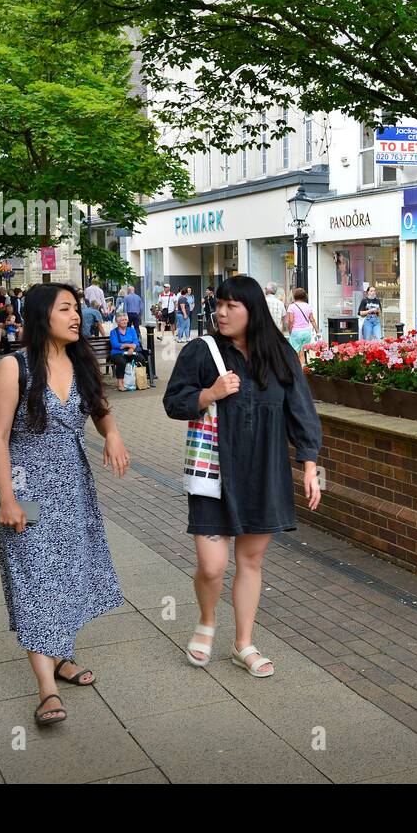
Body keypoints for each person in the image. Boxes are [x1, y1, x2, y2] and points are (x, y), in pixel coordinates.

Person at [163, 275, 322, 677]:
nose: (221, 312)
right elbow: (173, 402)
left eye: (232, 305)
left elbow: (300, 411)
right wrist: (210, 393)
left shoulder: (281, 355)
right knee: (213, 565)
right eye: (219, 304)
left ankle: (243, 644)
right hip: (214, 474)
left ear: (253, 310)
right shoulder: (203, 351)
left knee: (250, 561)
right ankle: (207, 618)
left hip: (264, 473)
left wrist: (309, 466)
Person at [0, 282, 130, 726]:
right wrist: (7, 498)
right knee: (35, 581)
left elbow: (99, 406)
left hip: (74, 490)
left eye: (76, 308)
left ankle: (62, 655)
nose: (76, 316)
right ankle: (46, 688)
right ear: (41, 315)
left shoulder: (82, 361)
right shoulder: (14, 368)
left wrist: (112, 433)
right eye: (65, 308)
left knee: (69, 573)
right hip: (25, 491)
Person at [108, 312, 148, 391]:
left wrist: (131, 349)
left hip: (130, 352)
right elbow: (115, 344)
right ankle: (120, 384)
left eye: (125, 320)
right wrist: (128, 345)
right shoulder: (113, 332)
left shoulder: (131, 330)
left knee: (141, 358)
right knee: (121, 362)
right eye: (122, 320)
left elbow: (136, 342)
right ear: (117, 322)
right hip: (117, 353)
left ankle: (141, 381)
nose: (124, 322)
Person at [285, 287, 318, 364]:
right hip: (307, 332)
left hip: (296, 332)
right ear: (304, 296)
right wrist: (317, 331)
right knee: (302, 353)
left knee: (294, 353)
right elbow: (312, 320)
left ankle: (295, 371)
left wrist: (290, 330)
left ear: (294, 296)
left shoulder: (292, 306)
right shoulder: (308, 306)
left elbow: (291, 320)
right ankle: (302, 370)